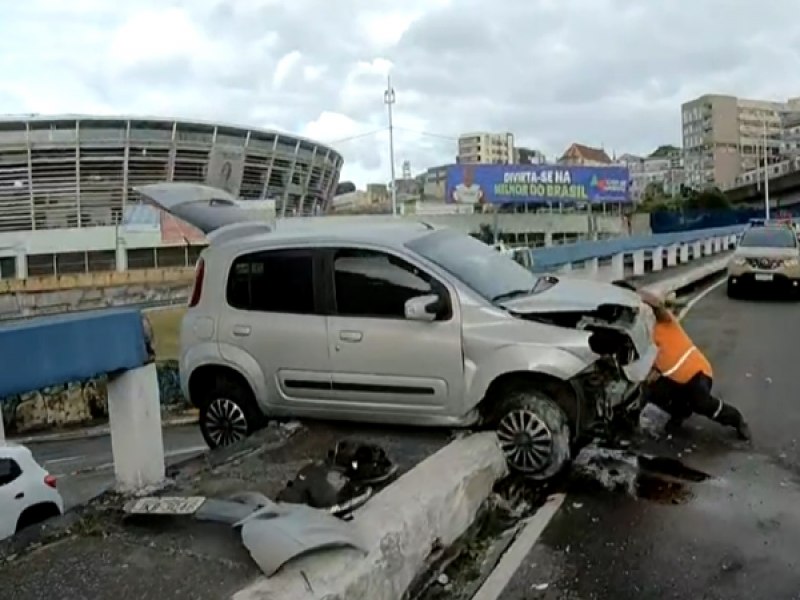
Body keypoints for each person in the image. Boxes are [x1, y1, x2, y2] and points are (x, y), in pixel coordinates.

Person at [612, 280, 752, 441]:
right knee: (646, 389)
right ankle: (678, 411)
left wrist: (635, 294)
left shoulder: (662, 321)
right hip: (673, 381)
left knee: (701, 403)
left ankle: (737, 419)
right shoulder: (637, 335)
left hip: (697, 373)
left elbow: (657, 304)